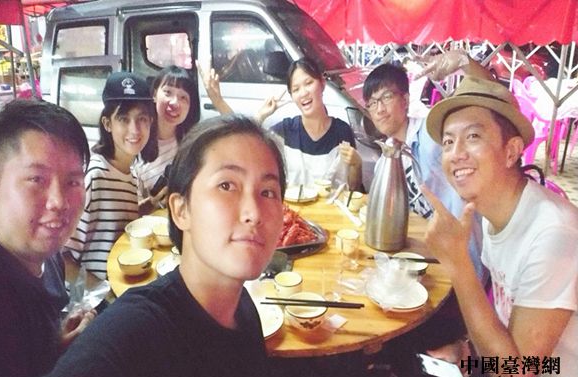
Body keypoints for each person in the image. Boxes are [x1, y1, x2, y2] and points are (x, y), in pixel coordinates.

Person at [19, 115, 286, 377]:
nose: (253, 213)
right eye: (227, 186)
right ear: (181, 210)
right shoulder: (138, 328)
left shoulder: (243, 309)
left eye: (267, 192)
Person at [422, 76, 578, 377]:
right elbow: (505, 319)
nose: (456, 153)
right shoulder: (494, 212)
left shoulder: (553, 232)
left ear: (512, 151)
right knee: (407, 366)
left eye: (473, 136)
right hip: (520, 372)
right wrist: (468, 349)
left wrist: (458, 264)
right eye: (448, 142)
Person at [0, 99, 96, 377]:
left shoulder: (43, 250)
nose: (58, 202)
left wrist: (55, 346)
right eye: (36, 179)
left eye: (72, 181)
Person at [361, 51, 490, 282]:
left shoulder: (432, 134)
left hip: (462, 263)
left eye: (386, 97)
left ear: (405, 99)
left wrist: (463, 61)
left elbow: (486, 99)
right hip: (421, 261)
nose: (379, 109)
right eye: (372, 103)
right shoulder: (385, 162)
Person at [64, 71, 156, 280]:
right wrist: (101, 290)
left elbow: (111, 232)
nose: (134, 129)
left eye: (142, 119)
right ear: (107, 124)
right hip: (99, 293)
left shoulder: (132, 175)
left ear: (151, 122)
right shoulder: (94, 176)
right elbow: (61, 257)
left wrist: (141, 210)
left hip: (124, 281)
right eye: (124, 119)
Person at [134, 64, 232, 213]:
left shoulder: (193, 140)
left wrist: (217, 99)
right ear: (154, 94)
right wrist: (152, 204)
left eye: (183, 97)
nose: (174, 102)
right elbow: (131, 210)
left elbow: (238, 135)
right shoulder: (136, 141)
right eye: (168, 92)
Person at [257, 57, 362, 190]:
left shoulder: (342, 131)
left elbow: (353, 190)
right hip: (292, 204)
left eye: (308, 83)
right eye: (296, 89)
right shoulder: (285, 131)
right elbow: (251, 152)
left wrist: (357, 165)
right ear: (292, 96)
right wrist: (260, 116)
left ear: (322, 84)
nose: (303, 93)